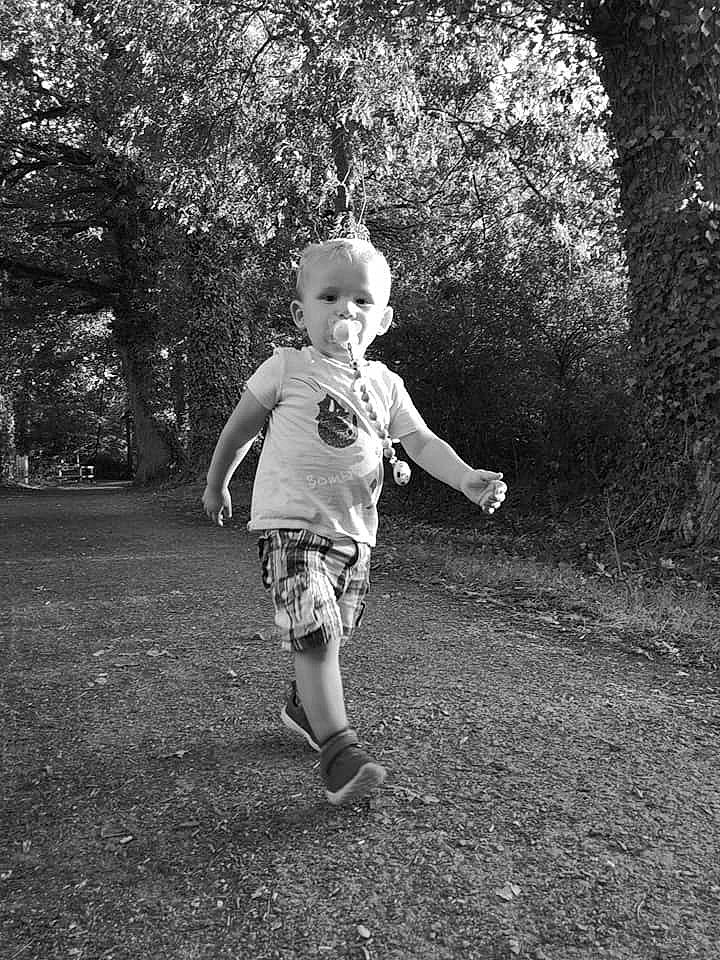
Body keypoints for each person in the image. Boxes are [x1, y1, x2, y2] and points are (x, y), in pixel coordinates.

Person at [202, 237, 507, 806]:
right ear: (302, 313)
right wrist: (218, 483)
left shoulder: (384, 385)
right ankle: (340, 752)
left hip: (354, 536)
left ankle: (303, 705)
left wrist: (465, 477)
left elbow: (419, 441)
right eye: (331, 297)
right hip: (289, 525)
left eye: (362, 302)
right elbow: (239, 429)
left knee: (331, 635)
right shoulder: (287, 367)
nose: (346, 311)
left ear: (384, 319)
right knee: (314, 629)